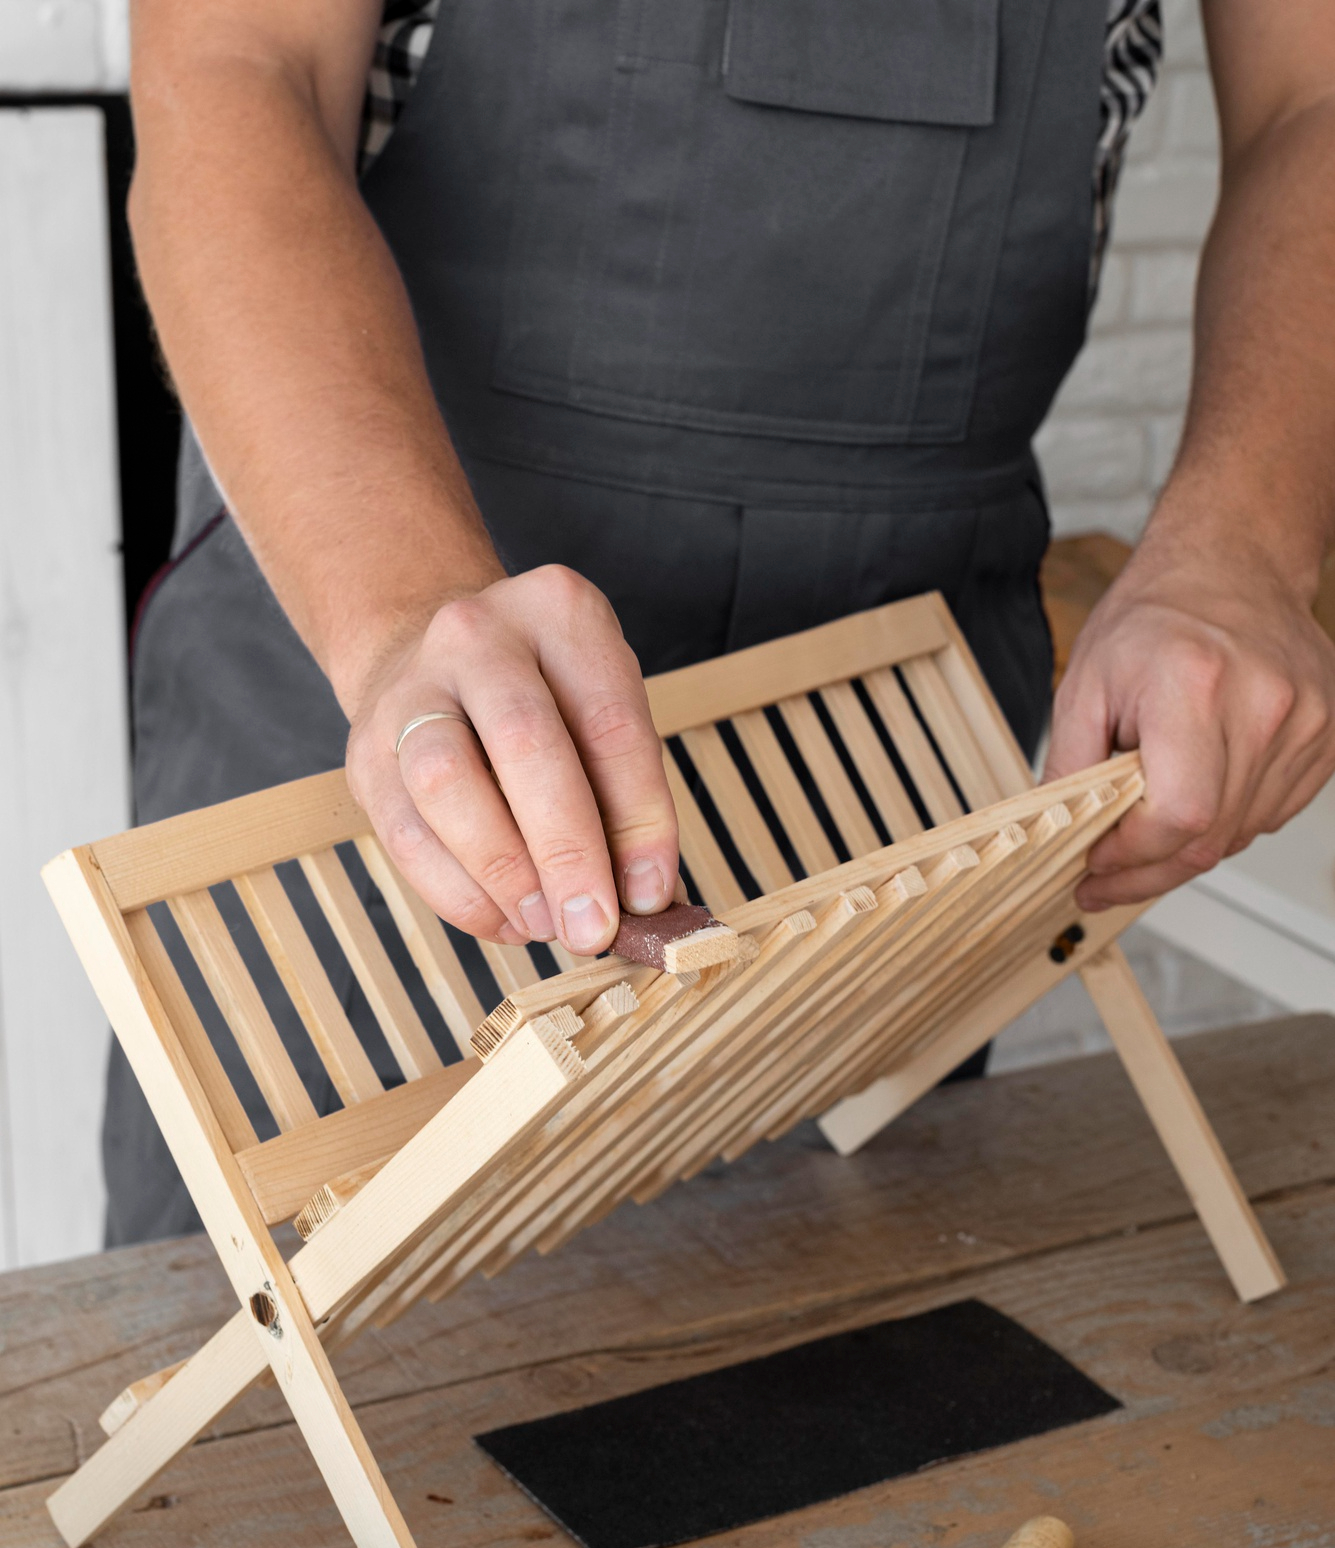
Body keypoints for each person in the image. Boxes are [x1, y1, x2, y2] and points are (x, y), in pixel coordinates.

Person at [108, 0, 1335, 1243]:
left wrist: (1243, 544)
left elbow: (1315, 97)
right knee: (275, 1363)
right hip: (390, 662)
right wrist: (400, 615)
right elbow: (231, 67)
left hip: (898, 724)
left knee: (847, 1349)